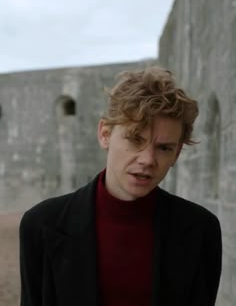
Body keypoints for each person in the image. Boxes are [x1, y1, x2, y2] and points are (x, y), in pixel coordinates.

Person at [19, 66, 222, 306]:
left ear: (177, 153)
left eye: (164, 148)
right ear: (105, 134)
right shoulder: (41, 225)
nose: (147, 160)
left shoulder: (201, 230)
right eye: (136, 138)